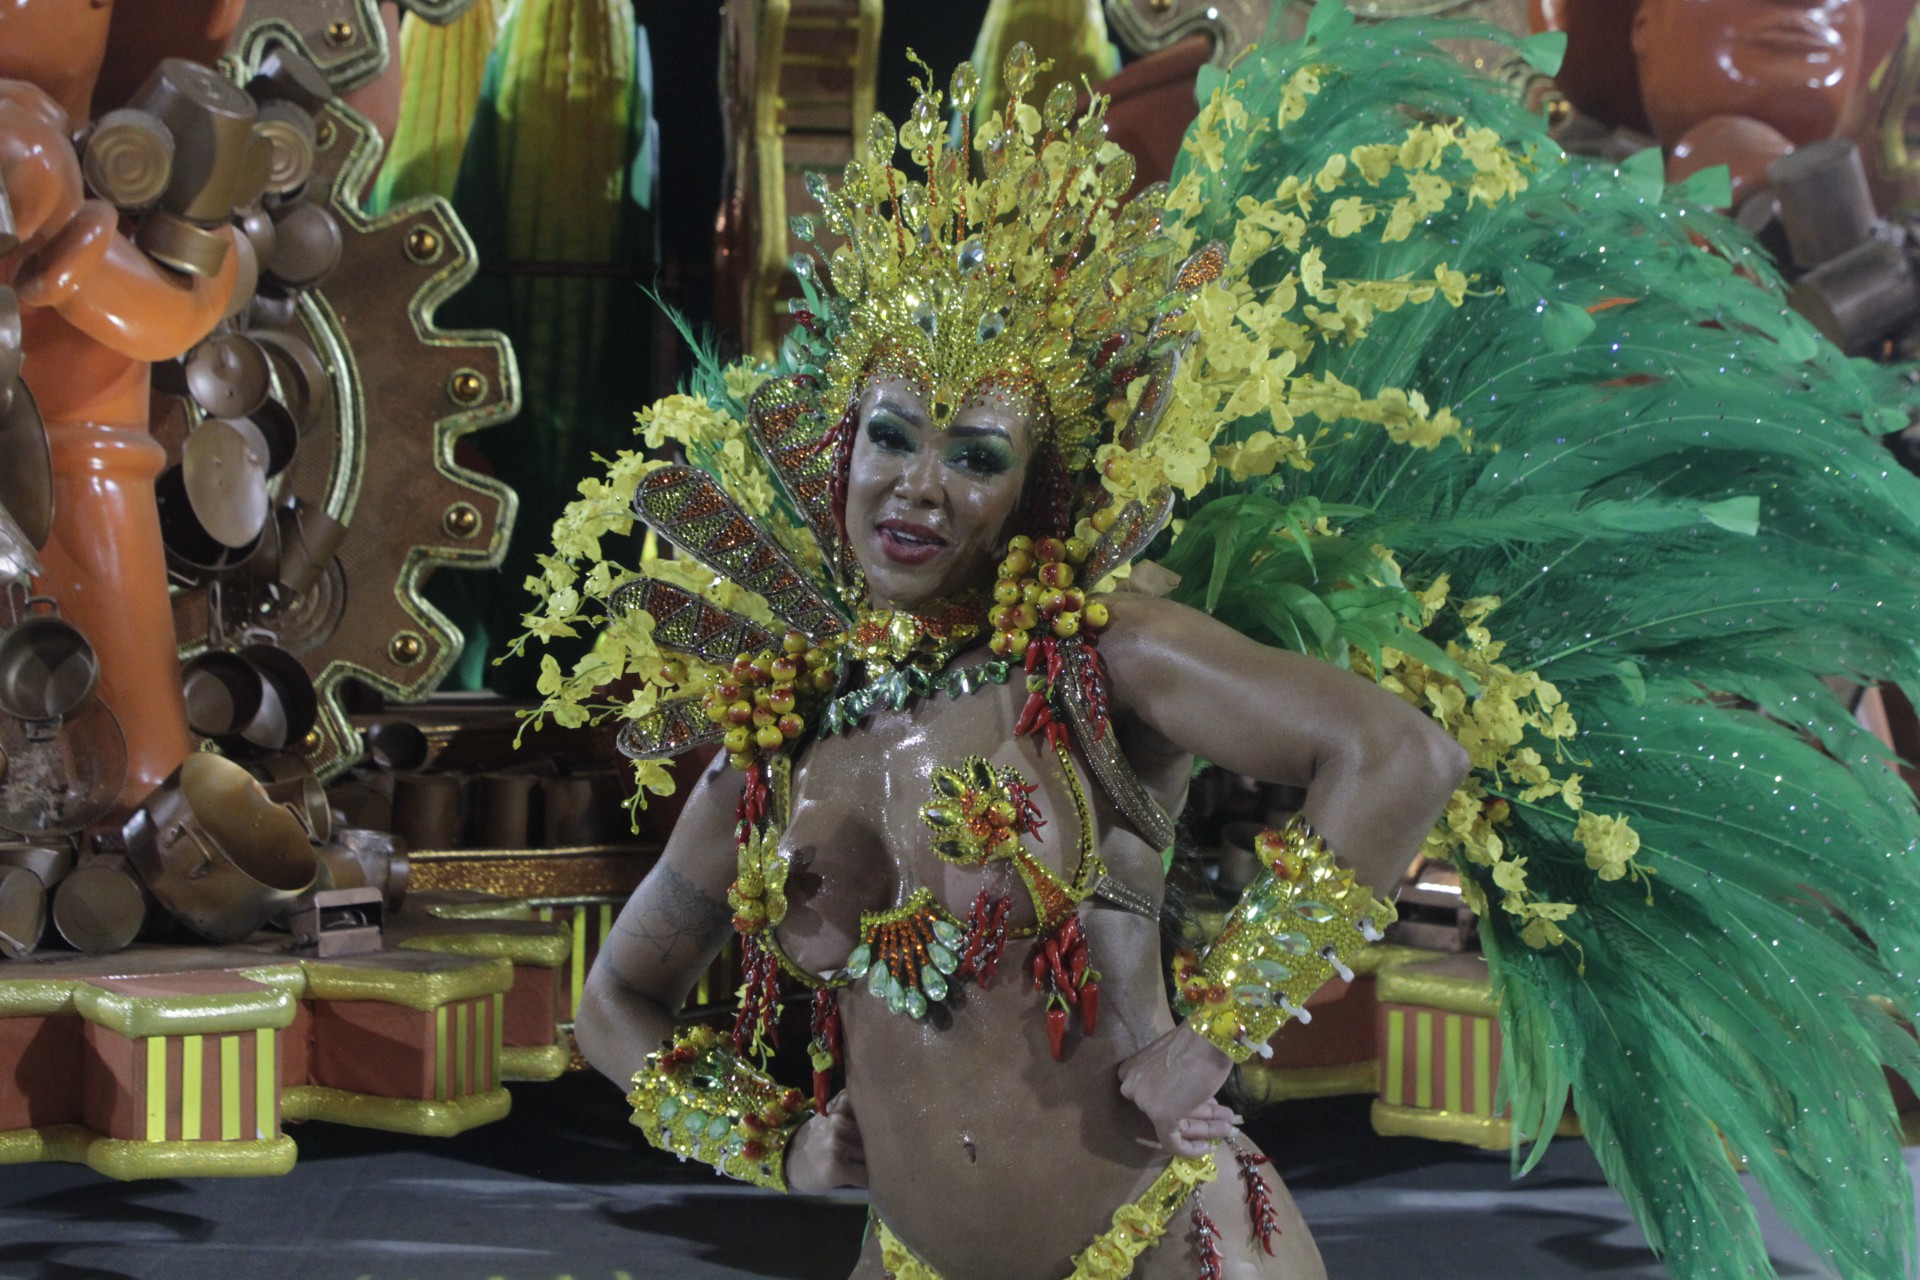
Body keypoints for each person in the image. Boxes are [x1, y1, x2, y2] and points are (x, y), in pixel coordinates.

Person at [520, 12, 1920, 1280]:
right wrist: (769, 1149)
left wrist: (1225, 1026)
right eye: (892, 436)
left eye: (976, 453)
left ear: (1036, 489)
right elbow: (617, 1004)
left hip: (1162, 1246)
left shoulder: (1097, 656)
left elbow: (1394, 755)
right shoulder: (785, 729)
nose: (919, 487)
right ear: (840, 447)